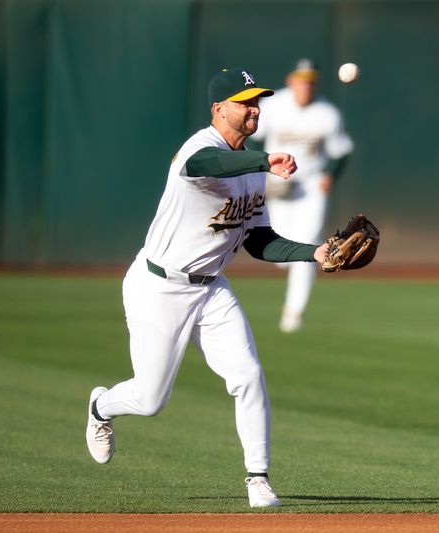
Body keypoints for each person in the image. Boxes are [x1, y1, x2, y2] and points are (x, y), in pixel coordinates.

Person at [84, 67, 330, 509]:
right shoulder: (200, 149)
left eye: (257, 101)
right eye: (245, 102)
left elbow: (259, 241)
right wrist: (265, 160)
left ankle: (258, 479)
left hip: (212, 290)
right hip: (158, 287)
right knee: (150, 398)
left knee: (248, 376)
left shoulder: (255, 171)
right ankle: (102, 407)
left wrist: (315, 254)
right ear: (219, 109)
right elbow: (206, 166)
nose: (254, 108)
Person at [251, 58, 354, 333]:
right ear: (290, 81)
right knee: (282, 253)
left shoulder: (327, 113)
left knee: (307, 245)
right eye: (301, 80)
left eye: (310, 81)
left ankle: (293, 312)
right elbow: (252, 136)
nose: (305, 86)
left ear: (315, 83)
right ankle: (292, 283)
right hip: (278, 186)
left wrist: (330, 175)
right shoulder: (273, 107)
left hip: (310, 187)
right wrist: (260, 166)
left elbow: (341, 151)